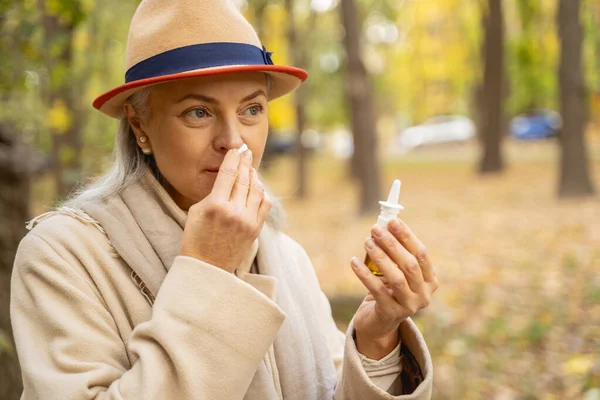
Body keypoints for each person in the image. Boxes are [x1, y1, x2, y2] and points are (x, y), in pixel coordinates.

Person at [10, 0, 438, 398]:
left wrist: (378, 336)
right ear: (140, 125)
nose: (234, 142)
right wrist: (209, 273)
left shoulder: (286, 255)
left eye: (251, 109)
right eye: (199, 112)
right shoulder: (62, 257)